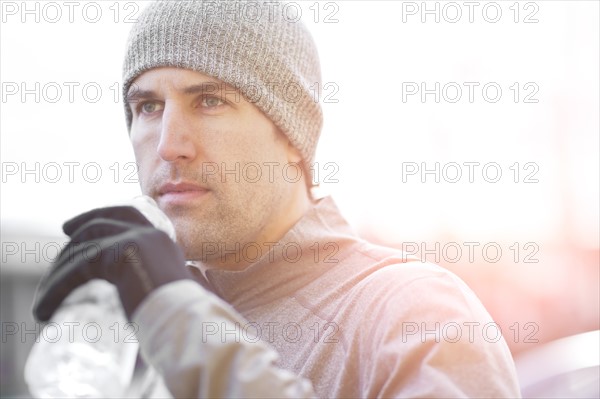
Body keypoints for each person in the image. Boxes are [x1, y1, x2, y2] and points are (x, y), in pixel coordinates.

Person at [32, 1, 522, 397]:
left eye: (209, 101)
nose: (168, 144)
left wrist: (182, 325)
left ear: (292, 136)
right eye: (148, 106)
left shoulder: (414, 312)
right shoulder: (138, 335)